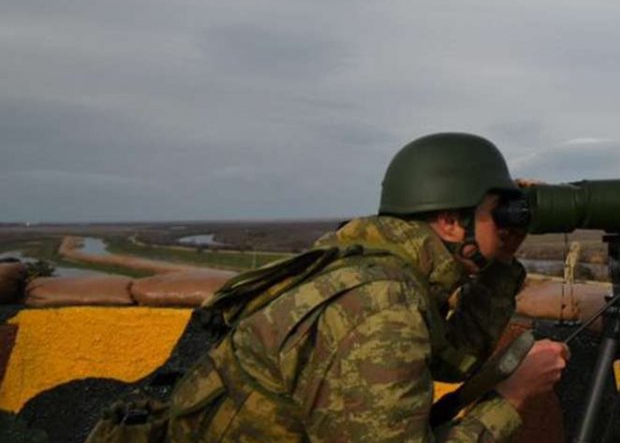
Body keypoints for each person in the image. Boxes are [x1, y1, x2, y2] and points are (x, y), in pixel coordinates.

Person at [166, 132, 569, 442]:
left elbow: (450, 359)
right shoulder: (378, 305)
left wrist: (500, 262)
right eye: (496, 212)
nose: (504, 225)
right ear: (450, 221)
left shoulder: (378, 269)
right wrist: (513, 396)